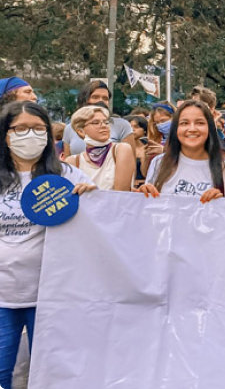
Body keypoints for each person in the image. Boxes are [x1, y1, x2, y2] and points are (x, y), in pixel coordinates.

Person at [0, 102, 95, 389]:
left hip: (52, 295)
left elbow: (100, 224)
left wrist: (92, 198)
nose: (31, 135)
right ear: (5, 134)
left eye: (39, 128)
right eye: (21, 128)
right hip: (3, 296)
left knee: (54, 375)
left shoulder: (68, 176)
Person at [138, 100, 225, 201]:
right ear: (176, 128)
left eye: (200, 123)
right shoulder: (159, 163)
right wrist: (144, 195)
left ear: (210, 128)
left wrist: (219, 203)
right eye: (184, 123)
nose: (192, 129)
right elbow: (150, 210)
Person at [65, 106, 135, 191]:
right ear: (81, 131)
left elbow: (120, 194)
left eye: (106, 122)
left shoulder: (121, 150)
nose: (104, 126)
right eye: (95, 122)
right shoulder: (72, 162)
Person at [62, 81, 136, 158]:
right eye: (95, 97)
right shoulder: (70, 128)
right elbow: (67, 165)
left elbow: (131, 160)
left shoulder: (121, 125)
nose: (101, 101)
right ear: (84, 100)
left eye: (105, 98)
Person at [126, 115, 148, 186]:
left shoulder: (149, 146)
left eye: (136, 127)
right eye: (129, 127)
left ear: (144, 130)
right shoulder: (118, 147)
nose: (132, 129)